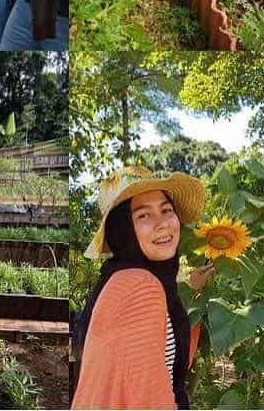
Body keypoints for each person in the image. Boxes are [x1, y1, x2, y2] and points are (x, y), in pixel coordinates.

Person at [73, 167, 212, 410]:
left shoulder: (125, 279)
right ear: (123, 230)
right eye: (143, 215)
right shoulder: (140, 287)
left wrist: (193, 291)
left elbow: (161, 355)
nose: (162, 224)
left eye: (166, 210)